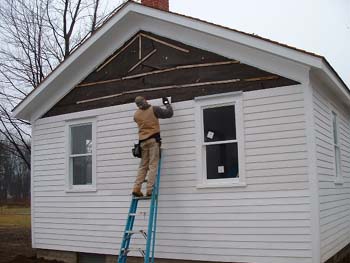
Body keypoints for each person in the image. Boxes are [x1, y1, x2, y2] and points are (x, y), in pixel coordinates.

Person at [132, 96, 173, 197]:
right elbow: (169, 114)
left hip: (142, 143)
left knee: (143, 166)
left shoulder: (136, 115)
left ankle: (136, 188)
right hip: (153, 141)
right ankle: (149, 190)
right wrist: (167, 104)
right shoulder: (154, 109)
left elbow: (140, 118)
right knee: (152, 165)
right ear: (145, 100)